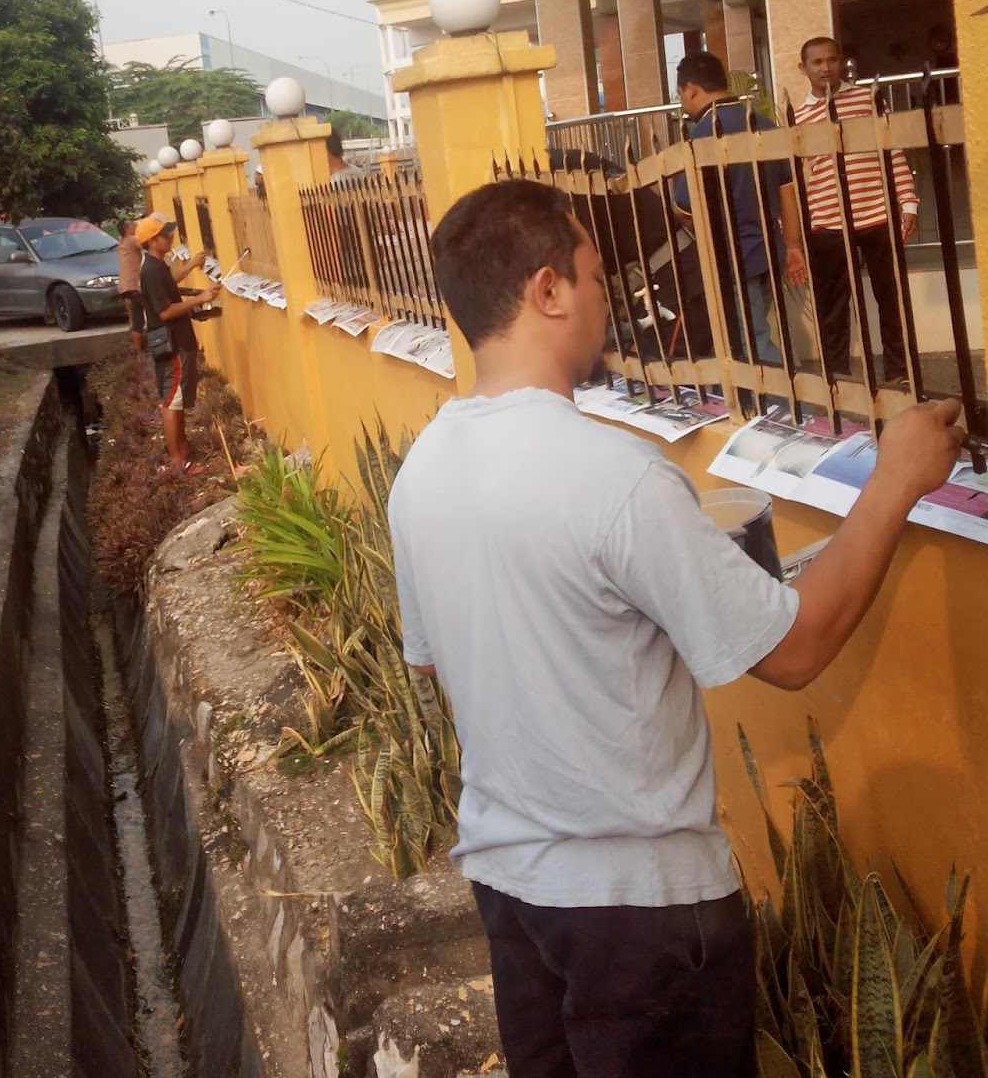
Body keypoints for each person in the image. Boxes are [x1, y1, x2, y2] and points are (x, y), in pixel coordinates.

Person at [389, 178, 961, 1078]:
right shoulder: (615, 475)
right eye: (593, 275)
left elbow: (438, 658)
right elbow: (796, 650)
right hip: (641, 918)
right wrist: (896, 480)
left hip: (514, 895)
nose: (607, 297)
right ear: (546, 291)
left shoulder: (422, 468)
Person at [795, 36, 919, 385]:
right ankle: (838, 375)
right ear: (802, 68)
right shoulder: (799, 116)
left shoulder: (868, 100)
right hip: (827, 222)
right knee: (833, 306)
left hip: (876, 214)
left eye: (832, 60)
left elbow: (891, 149)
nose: (825, 68)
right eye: (817, 62)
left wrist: (906, 201)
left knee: (890, 298)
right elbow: (797, 176)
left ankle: (898, 372)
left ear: (841, 62)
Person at [672, 52, 805, 365]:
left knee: (753, 342)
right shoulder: (765, 124)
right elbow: (788, 191)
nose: (682, 102)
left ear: (690, 88)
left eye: (680, 94)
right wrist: (793, 245)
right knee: (754, 334)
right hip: (769, 250)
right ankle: (764, 403)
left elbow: (685, 207)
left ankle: (783, 407)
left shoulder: (704, 132)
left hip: (732, 256)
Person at [135, 214, 221, 474]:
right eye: (165, 234)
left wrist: (193, 268)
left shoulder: (157, 265)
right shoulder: (151, 269)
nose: (171, 237)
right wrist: (200, 298)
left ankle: (182, 449)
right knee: (172, 401)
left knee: (177, 398)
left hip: (177, 342)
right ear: (152, 241)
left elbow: (168, 287)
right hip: (172, 345)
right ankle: (178, 462)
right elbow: (165, 312)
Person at [116, 217, 144, 353]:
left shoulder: (121, 242)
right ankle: (139, 351)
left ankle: (137, 350)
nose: (136, 226)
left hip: (124, 285)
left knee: (133, 319)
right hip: (134, 285)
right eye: (133, 225)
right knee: (139, 320)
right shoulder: (132, 240)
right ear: (127, 229)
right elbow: (147, 244)